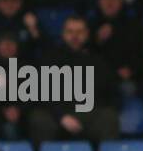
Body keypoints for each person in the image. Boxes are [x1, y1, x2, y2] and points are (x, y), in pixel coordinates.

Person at [29, 14, 118, 143]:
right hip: (57, 114)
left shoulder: (99, 59)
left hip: (89, 113)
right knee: (38, 118)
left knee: (109, 117)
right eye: (70, 32)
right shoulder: (49, 58)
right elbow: (42, 94)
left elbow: (109, 94)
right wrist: (62, 116)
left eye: (79, 32)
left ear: (87, 34)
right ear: (63, 34)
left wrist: (82, 116)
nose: (74, 36)